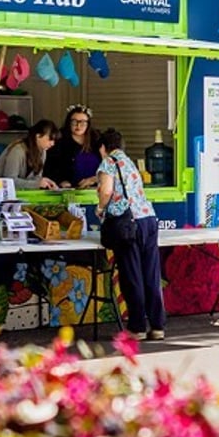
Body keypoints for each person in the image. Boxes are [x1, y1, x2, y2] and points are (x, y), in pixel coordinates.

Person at [95, 127, 165, 340]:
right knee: (151, 275)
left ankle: (137, 328)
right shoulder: (130, 162)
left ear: (103, 147)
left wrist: (100, 207)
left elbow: (106, 191)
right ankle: (158, 327)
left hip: (127, 225)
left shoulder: (108, 162)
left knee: (132, 276)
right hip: (148, 220)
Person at [0, 119, 60, 189]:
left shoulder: (43, 152)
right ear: (38, 136)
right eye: (50, 139)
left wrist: (45, 182)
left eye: (54, 140)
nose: (52, 144)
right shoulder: (17, 150)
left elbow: (37, 177)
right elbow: (9, 180)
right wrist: (36, 184)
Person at [43, 104, 102, 189]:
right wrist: (60, 181)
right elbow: (50, 166)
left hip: (94, 188)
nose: (78, 126)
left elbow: (107, 165)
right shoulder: (60, 140)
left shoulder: (96, 139)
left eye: (82, 123)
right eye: (74, 122)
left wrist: (94, 179)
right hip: (69, 188)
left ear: (88, 124)